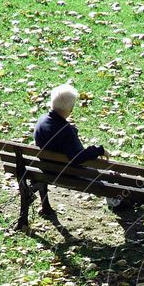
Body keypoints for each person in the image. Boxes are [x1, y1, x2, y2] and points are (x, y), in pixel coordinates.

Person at [33, 84, 106, 218]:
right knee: (108, 175)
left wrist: (71, 131)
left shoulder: (41, 120)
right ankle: (120, 201)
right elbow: (78, 157)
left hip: (44, 170)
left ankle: (45, 206)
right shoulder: (65, 131)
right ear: (71, 108)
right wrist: (98, 150)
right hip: (66, 174)